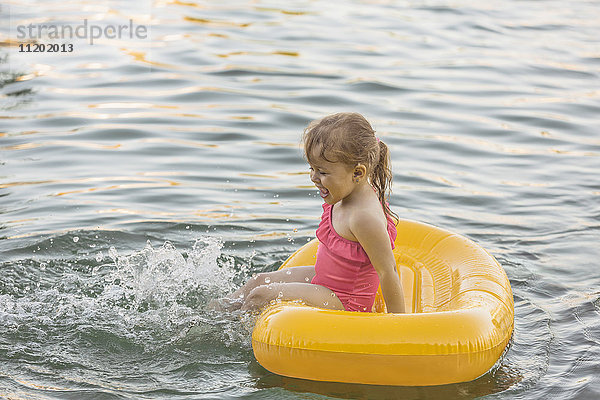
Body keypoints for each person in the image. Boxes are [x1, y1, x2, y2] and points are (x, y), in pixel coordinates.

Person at [210, 112, 406, 313]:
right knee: (257, 282)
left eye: (322, 172)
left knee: (261, 295)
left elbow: (387, 271)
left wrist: (398, 329)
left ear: (358, 172)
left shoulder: (364, 217)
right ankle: (211, 314)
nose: (313, 177)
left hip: (345, 301)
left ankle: (227, 333)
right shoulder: (344, 194)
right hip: (327, 283)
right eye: (312, 168)